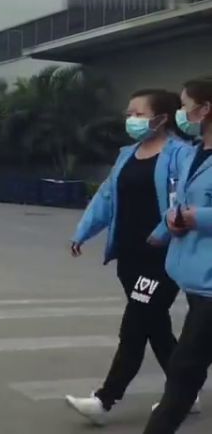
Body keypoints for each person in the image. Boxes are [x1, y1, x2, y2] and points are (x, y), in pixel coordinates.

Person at [66, 89, 194, 426]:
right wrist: (83, 231)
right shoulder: (127, 155)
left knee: (135, 325)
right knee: (154, 325)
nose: (131, 120)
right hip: (129, 255)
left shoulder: (182, 155)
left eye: (138, 114)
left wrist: (163, 232)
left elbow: (184, 201)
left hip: (163, 256)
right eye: (129, 113)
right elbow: (106, 198)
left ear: (161, 118)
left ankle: (104, 400)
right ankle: (186, 389)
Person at [142, 79, 212, 434]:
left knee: (184, 370)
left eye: (185, 106)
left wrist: (196, 217)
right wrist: (171, 221)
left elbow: (195, 211)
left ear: (205, 109)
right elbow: (180, 201)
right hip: (195, 278)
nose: (182, 113)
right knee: (186, 369)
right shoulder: (194, 152)